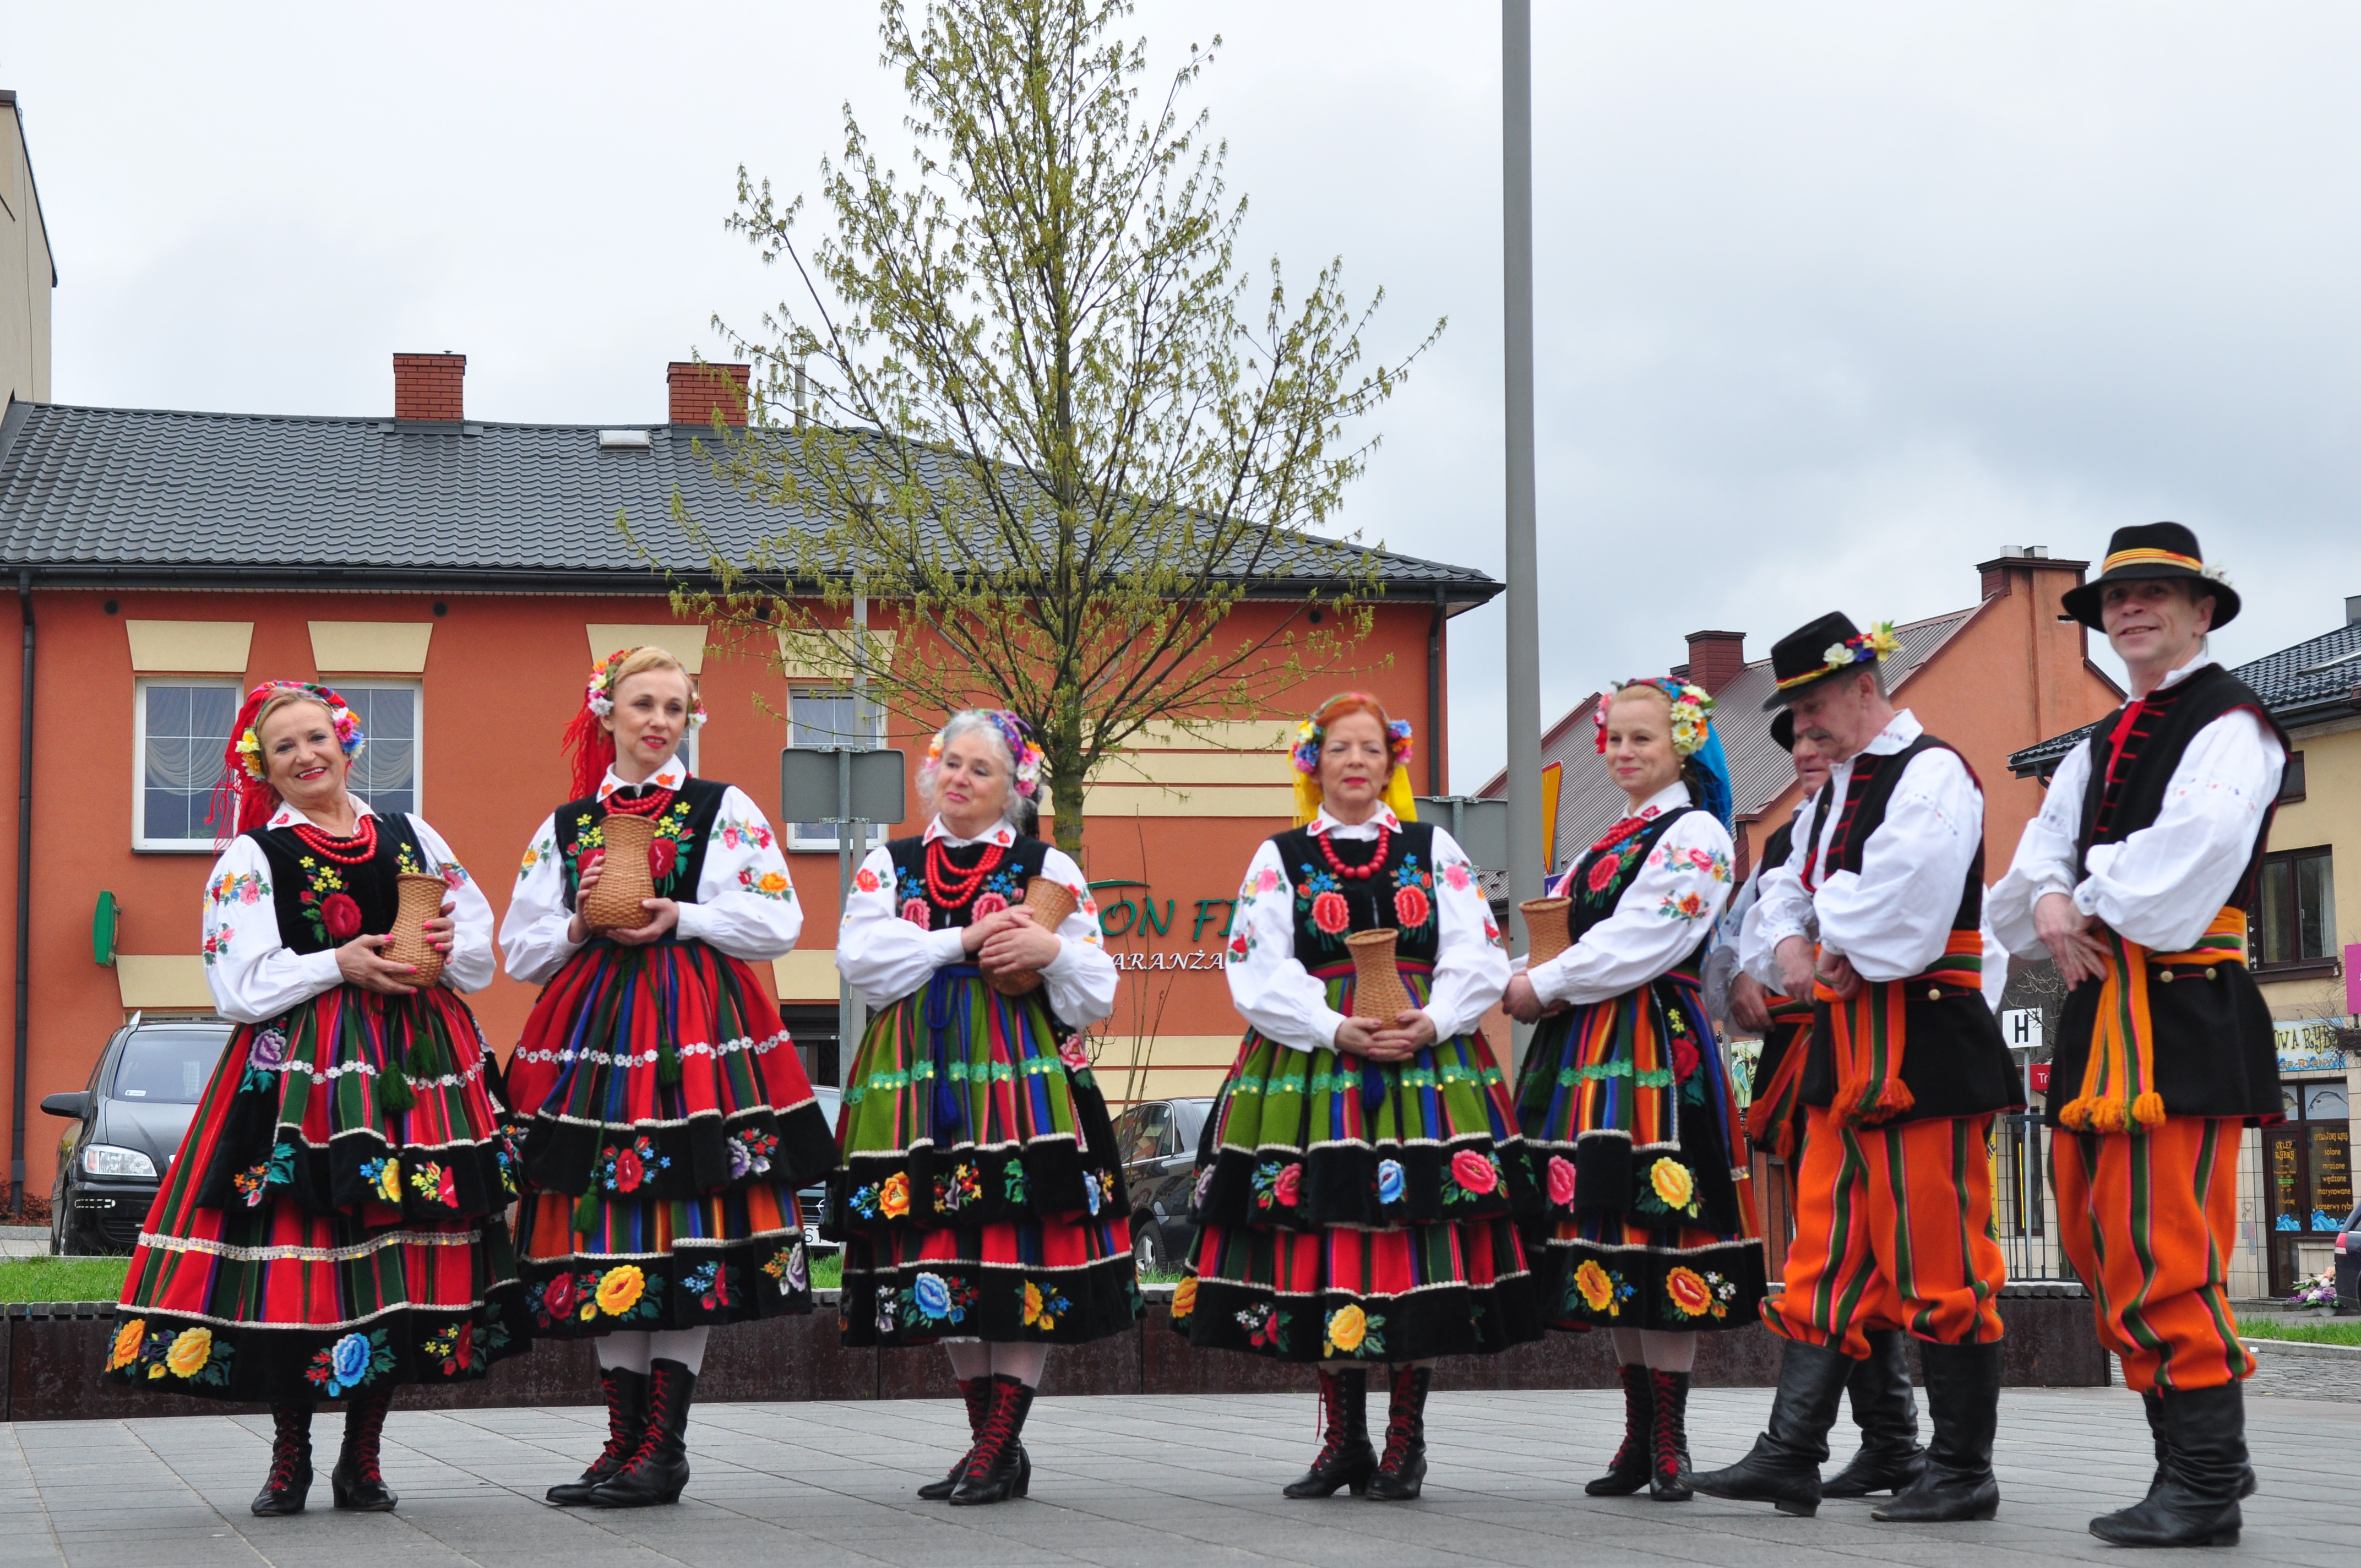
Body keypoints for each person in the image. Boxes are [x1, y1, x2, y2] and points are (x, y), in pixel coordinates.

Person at [107, 682, 524, 1517]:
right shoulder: (253, 855)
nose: (306, 757)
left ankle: (362, 1459)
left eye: (316, 738)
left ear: (346, 741)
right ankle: (290, 1456)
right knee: (300, 1253)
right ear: (266, 768)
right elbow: (237, 982)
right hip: (301, 1075)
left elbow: (480, 947)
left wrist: (447, 943)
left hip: (414, 1071)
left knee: (401, 1254)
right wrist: (340, 963)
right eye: (285, 748)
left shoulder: (413, 835)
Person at [1989, 525, 2284, 1549]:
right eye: (2117, 598)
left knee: (2165, 1243)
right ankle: (2194, 1464)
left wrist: (2078, 897)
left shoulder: (2233, 724)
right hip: (2104, 1014)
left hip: (2187, 1009)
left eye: (2156, 594)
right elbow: (2030, 877)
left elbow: (2186, 863)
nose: (2131, 610)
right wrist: (2062, 899)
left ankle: (2204, 1477)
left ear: (2201, 612)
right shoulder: (2097, 744)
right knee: (2099, 1239)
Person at [1691, 613, 2021, 1523]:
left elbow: (1904, 913)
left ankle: (1961, 1468)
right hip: (1851, 1048)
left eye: (1812, 708)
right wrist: (1802, 941)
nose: (1802, 731)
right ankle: (1792, 1452)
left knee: (1943, 1254)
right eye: (1793, 716)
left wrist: (1818, 930)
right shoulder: (1838, 791)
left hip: (1927, 1047)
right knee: (1825, 1250)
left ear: (1867, 684)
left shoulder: (1934, 775)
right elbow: (1776, 898)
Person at [1177, 693, 1541, 1502]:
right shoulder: (1279, 857)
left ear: (1391, 762)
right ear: (1314, 763)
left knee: (1414, 1238)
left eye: (1370, 749)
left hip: (1426, 1062)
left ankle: (1404, 1441)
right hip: (1315, 1068)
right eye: (1338, 748)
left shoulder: (1429, 844)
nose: (1354, 762)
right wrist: (1332, 1026)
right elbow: (1255, 969)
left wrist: (1437, 1018)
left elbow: (1477, 949)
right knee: (1324, 1235)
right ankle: (1345, 1439)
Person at [503, 646, 837, 1509]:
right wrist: (581, 924)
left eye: (675, 708)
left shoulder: (722, 809)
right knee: (607, 1224)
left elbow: (779, 920)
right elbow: (519, 947)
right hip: (590, 1032)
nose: (658, 721)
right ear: (605, 712)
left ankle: (664, 1446)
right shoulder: (569, 823)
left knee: (682, 1214)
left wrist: (681, 914)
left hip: (694, 1030)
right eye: (642, 704)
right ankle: (625, 1443)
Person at [831, 709, 1134, 1506]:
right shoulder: (888, 864)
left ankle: (998, 1445)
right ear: (932, 774)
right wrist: (961, 943)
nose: (960, 778)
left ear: (1014, 790)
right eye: (952, 764)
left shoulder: (1049, 865)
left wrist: (1052, 950)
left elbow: (1097, 990)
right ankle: (988, 1446)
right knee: (944, 1251)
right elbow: (864, 962)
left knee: (1015, 1245)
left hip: (1021, 1081)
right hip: (919, 1079)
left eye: (982, 770)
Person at [1503, 678, 1765, 1502]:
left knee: (1660, 1226)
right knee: (1609, 1230)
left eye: (1642, 739)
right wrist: (1493, 979)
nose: (1623, 752)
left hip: (1653, 1045)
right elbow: (1570, 939)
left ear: (1683, 745)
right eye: (1615, 737)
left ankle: (1671, 1439)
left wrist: (1540, 987)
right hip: (1590, 1047)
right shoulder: (1613, 835)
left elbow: (1643, 940)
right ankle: (1638, 1434)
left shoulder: (1697, 834)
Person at [1723, 711, 1928, 1502]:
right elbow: (1750, 932)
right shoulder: (1788, 840)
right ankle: (1889, 1442)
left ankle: (1883, 1444)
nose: (1809, 756)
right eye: (1798, 749)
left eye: (1820, 742)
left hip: (1880, 1052)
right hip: (1810, 1059)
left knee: (1872, 1243)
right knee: (1838, 1240)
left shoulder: (1894, 808)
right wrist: (1743, 972)